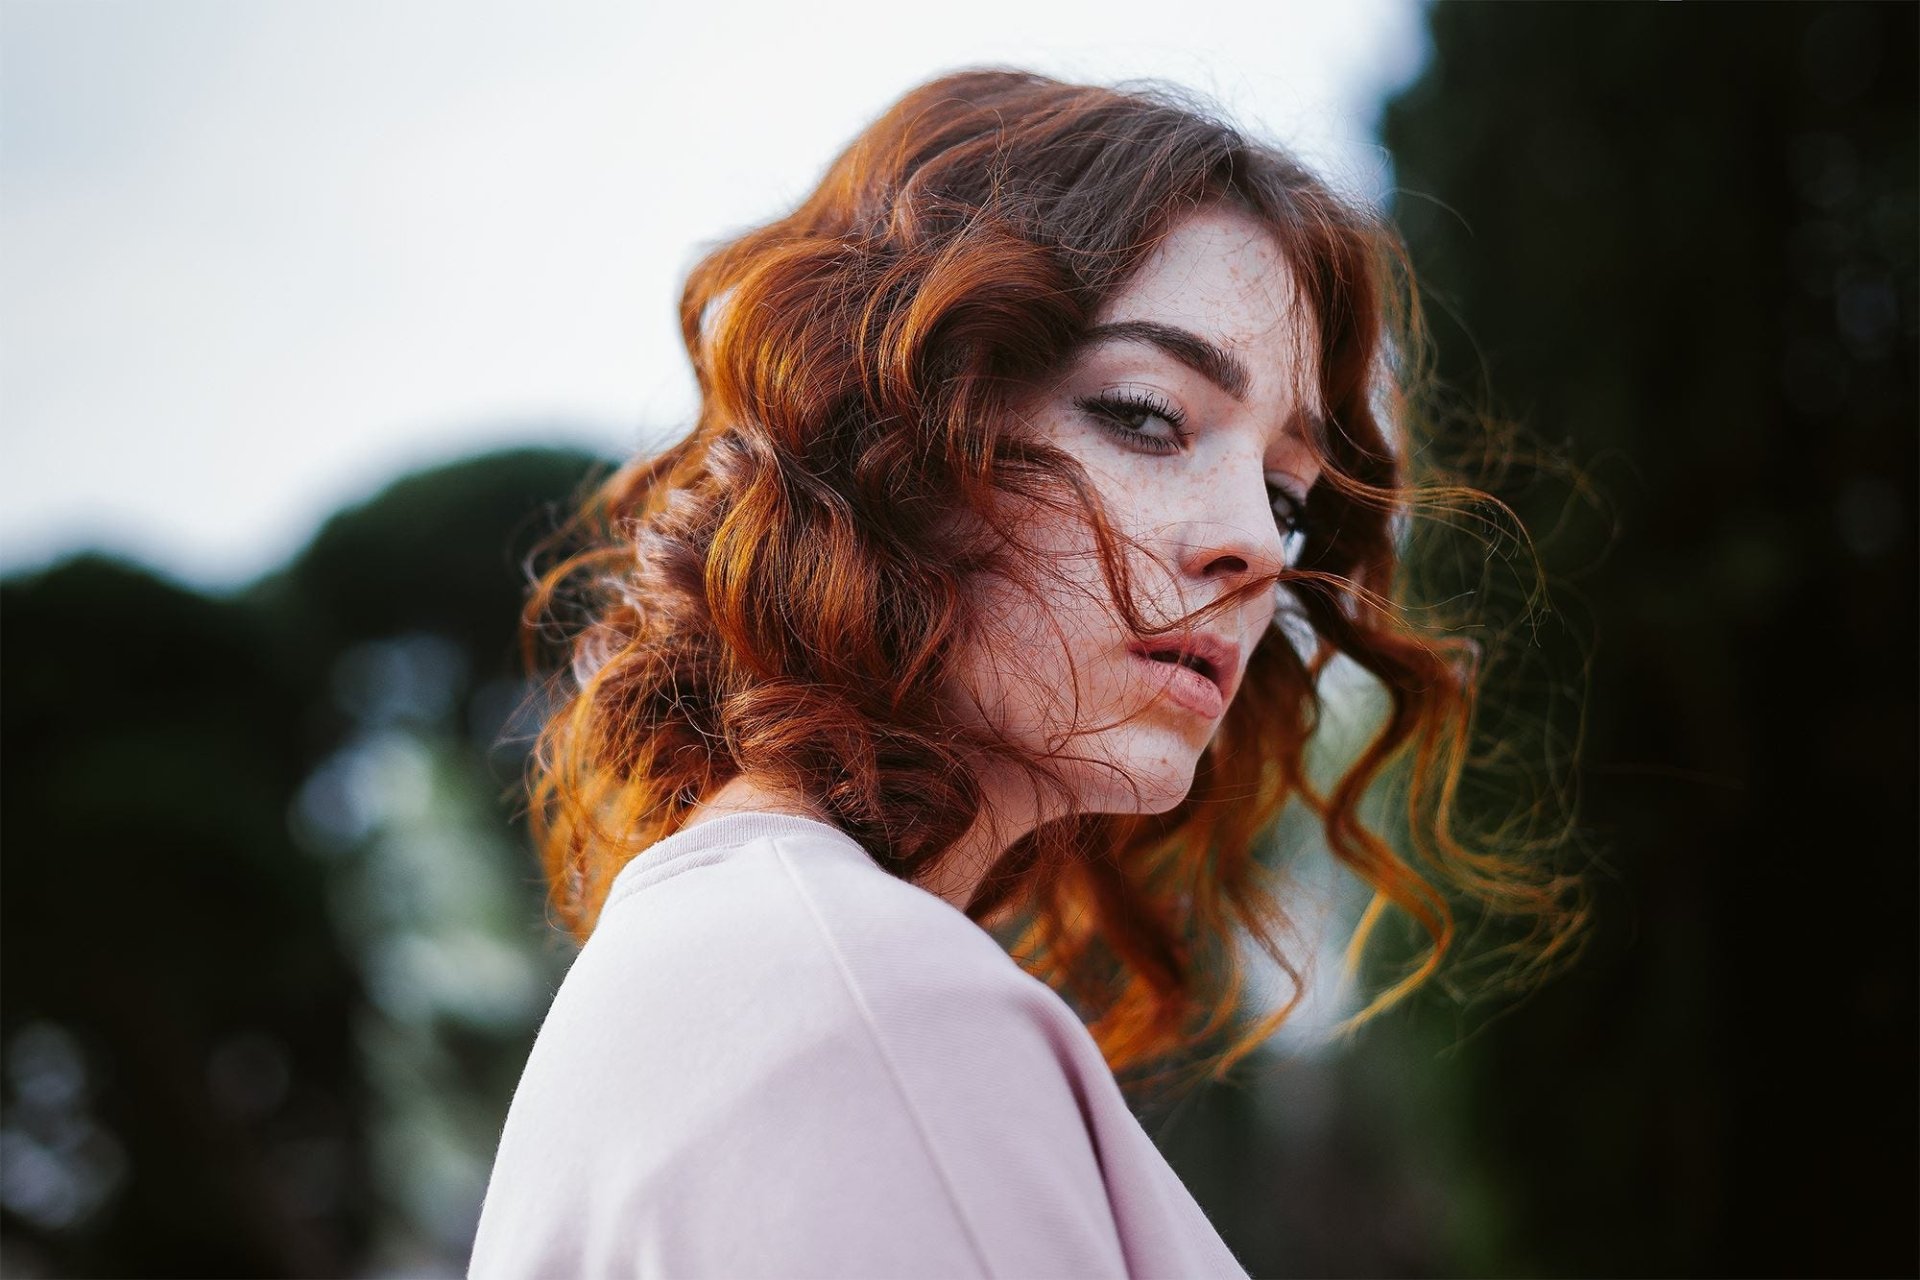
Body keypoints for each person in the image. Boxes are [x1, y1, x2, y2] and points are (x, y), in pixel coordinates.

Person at [471, 69, 1576, 1277]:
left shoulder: (739, 957)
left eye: (1285, 495)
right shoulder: (871, 999)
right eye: (1148, 416)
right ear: (893, 427)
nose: (1258, 547)